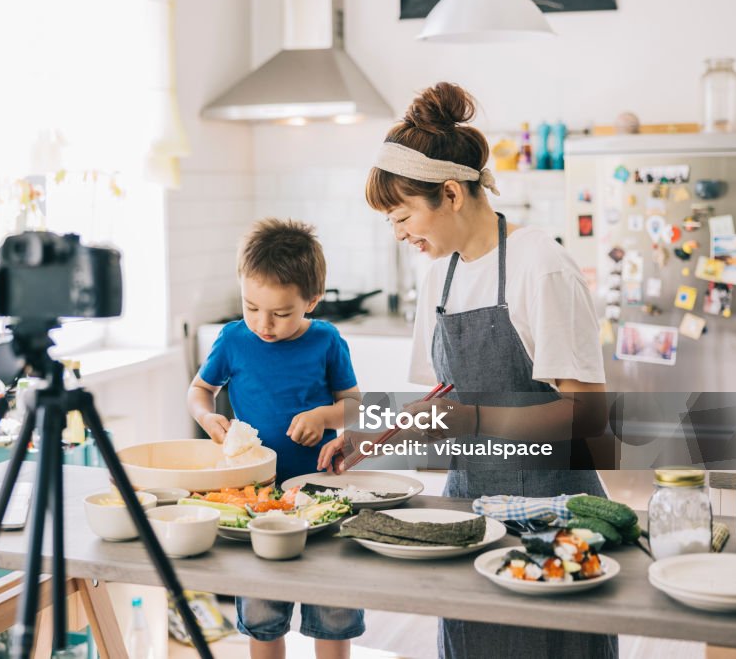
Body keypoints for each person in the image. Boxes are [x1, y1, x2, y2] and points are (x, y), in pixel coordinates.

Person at [317, 82, 616, 659]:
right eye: (390, 222)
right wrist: (373, 437)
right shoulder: (441, 277)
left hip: (551, 515)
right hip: (468, 512)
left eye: (402, 215)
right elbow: (445, 397)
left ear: (451, 193)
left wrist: (475, 418)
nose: (400, 234)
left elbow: (589, 416)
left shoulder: (540, 265)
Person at [188, 218, 363, 659]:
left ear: (312, 301)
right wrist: (207, 418)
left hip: (322, 490)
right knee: (263, 613)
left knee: (333, 608)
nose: (263, 324)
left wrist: (325, 414)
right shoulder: (233, 339)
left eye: (281, 313)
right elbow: (199, 391)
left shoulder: (326, 340)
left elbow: (357, 404)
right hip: (256, 496)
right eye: (251, 307)